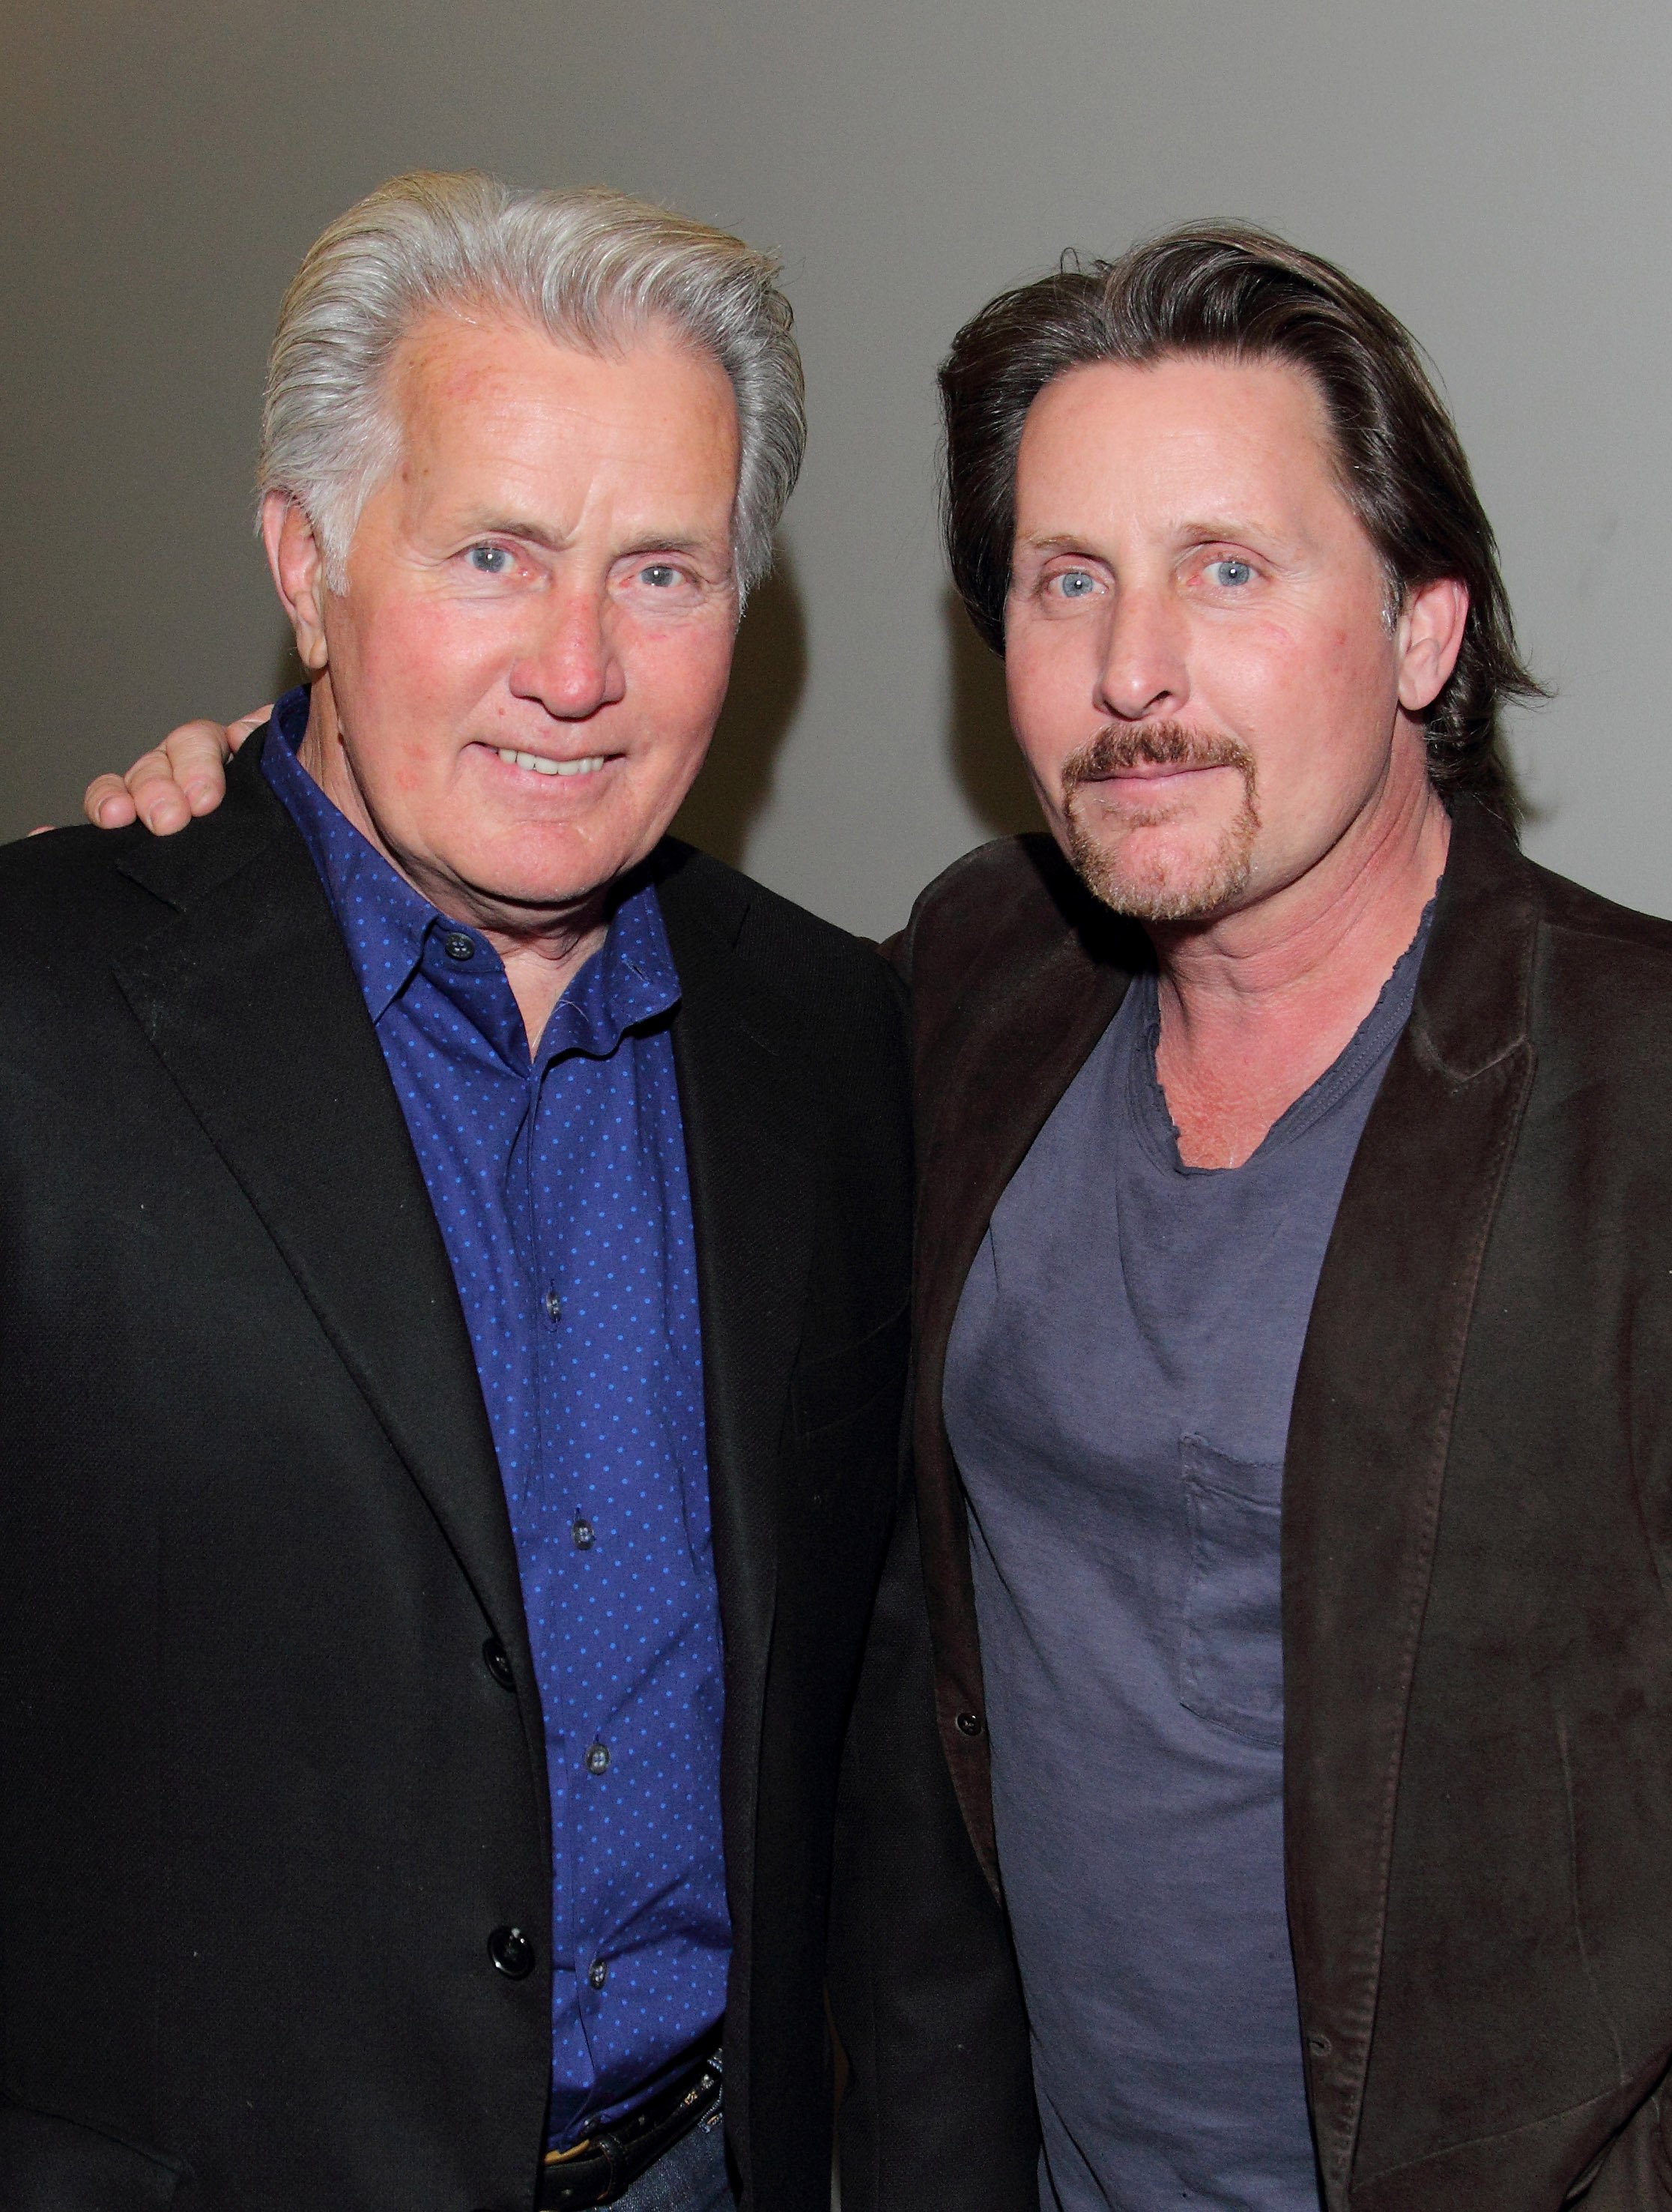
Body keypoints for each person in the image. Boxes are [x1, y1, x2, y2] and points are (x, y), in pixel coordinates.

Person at [92, 223, 1672, 2212]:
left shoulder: (1636, 1100)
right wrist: (261, 837)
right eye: (1062, 581)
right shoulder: (961, 991)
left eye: (1229, 570)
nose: (1134, 670)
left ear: (1428, 632)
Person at [1, 169, 914, 2212]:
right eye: (492, 553)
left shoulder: (840, 1041)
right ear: (307, 569)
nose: (575, 667)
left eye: (662, 572)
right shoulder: (43, 1020)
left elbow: (877, 1711)